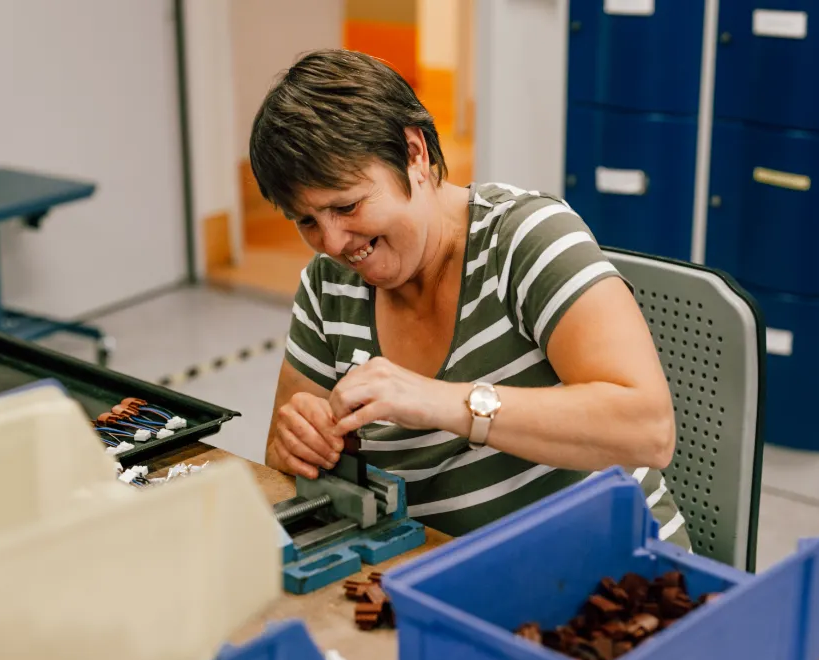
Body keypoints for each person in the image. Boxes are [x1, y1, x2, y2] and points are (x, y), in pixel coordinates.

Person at [252, 49, 690, 550]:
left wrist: (444, 402)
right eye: (306, 221)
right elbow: (281, 462)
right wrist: (298, 445)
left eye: (347, 205)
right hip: (443, 575)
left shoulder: (525, 240)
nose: (332, 243)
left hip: (612, 574)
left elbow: (648, 429)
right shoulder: (326, 286)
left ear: (414, 152)